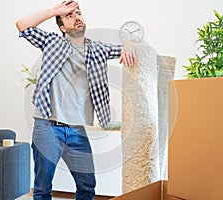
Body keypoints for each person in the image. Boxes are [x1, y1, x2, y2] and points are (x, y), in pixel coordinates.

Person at [16, 1, 135, 199]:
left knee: (87, 186)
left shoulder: (97, 49)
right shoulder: (52, 42)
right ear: (62, 27)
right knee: (42, 187)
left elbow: (125, 48)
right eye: (69, 16)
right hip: (47, 126)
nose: (77, 17)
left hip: (76, 130)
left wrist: (130, 44)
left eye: (78, 13)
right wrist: (55, 11)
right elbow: (22, 25)